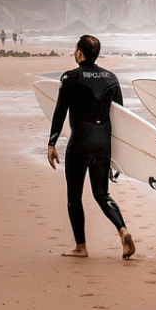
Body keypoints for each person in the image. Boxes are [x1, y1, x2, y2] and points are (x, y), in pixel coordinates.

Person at [46, 35, 136, 259]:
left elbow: (60, 112)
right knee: (102, 193)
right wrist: (118, 157)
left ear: (79, 52)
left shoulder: (70, 77)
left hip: (80, 143)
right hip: (103, 144)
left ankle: (81, 247)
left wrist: (52, 142)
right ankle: (123, 230)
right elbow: (121, 119)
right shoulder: (111, 78)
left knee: (74, 197)